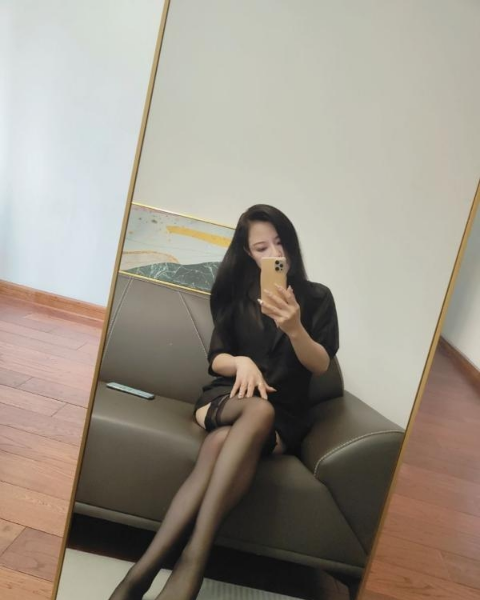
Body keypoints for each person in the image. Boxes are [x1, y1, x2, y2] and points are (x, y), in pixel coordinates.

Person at [108, 204, 339, 600]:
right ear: (248, 252)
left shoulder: (318, 298)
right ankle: (192, 561)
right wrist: (241, 362)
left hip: (281, 417)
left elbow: (320, 364)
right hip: (226, 397)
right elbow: (216, 358)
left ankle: (141, 574)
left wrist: (295, 328)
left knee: (224, 439)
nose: (275, 254)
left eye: (280, 243)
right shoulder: (234, 294)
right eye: (262, 248)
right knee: (254, 408)